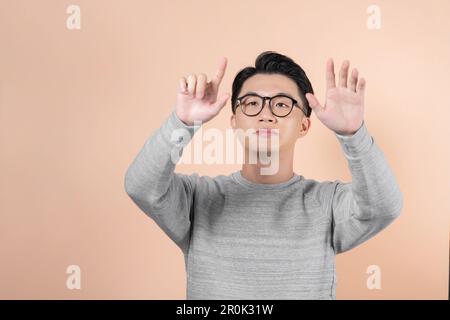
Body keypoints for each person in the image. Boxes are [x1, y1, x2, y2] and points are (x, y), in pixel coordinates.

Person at [124, 51, 403, 299]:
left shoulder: (326, 203)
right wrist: (183, 123)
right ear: (234, 121)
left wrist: (352, 134)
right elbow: (141, 185)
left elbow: (384, 207)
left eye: (281, 105)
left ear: (304, 125)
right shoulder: (200, 198)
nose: (265, 115)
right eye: (251, 103)